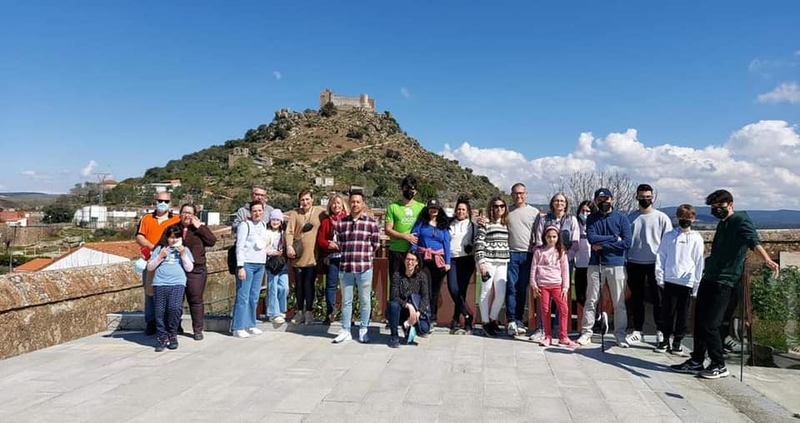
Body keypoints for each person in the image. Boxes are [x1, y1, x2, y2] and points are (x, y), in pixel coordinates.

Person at [671, 190, 779, 379]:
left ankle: (718, 364)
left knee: (712, 324)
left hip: (725, 280)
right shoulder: (723, 223)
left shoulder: (740, 221)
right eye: (713, 208)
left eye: (719, 207)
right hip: (710, 276)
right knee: (699, 321)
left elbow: (753, 241)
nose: (716, 211)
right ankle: (697, 359)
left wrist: (767, 260)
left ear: (730, 204)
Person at [577, 188, 632, 348]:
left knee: (618, 302)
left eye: (606, 199)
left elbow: (627, 243)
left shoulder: (622, 218)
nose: (603, 203)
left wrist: (602, 245)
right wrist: (614, 238)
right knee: (591, 300)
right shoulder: (592, 218)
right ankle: (586, 332)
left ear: (612, 199)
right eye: (600, 200)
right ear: (596, 201)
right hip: (596, 264)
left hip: (617, 264)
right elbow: (592, 239)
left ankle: (620, 334)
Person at [331, 189, 381, 344]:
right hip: (346, 267)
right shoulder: (341, 223)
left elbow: (376, 244)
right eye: (352, 201)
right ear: (349, 203)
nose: (355, 204)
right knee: (346, 300)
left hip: (364, 267)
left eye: (358, 202)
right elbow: (338, 242)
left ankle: (363, 329)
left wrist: (364, 255)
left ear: (363, 203)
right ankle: (345, 329)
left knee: (365, 300)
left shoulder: (371, 223)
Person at [626, 184, 673, 346]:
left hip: (656, 263)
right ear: (637, 197)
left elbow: (668, 243)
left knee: (658, 299)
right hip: (634, 262)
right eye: (642, 197)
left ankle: (661, 331)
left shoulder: (662, 218)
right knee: (636, 299)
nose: (645, 199)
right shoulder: (630, 218)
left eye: (648, 197)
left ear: (652, 197)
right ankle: (637, 330)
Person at [654, 204, 704, 355]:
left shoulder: (696, 238)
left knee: (683, 315)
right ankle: (664, 341)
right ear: (677, 218)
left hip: (687, 282)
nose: (684, 221)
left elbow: (699, 261)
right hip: (670, 280)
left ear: (693, 219)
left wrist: (696, 284)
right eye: (682, 218)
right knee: (667, 313)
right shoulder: (669, 236)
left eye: (688, 218)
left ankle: (677, 342)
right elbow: (661, 256)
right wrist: (660, 277)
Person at [532, 192, 580, 338]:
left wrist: (564, 257)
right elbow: (539, 239)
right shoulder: (544, 219)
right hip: (546, 263)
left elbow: (575, 242)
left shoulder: (571, 219)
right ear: (552, 203)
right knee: (543, 298)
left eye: (562, 201)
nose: (559, 203)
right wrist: (545, 254)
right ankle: (542, 328)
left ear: (566, 204)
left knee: (562, 296)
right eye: (556, 201)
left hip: (564, 262)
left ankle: (560, 329)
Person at [135, 191, 181, 335]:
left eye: (166, 201)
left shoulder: (176, 219)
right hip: (151, 260)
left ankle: (173, 323)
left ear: (170, 203)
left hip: (171, 262)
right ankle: (151, 322)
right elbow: (139, 237)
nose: (163, 203)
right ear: (155, 201)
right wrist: (154, 249)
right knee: (150, 293)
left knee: (172, 294)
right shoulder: (147, 218)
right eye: (160, 200)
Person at [530, 225, 579, 348]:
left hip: (557, 285)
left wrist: (565, 287)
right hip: (543, 286)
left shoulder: (561, 252)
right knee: (545, 310)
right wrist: (534, 284)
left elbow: (565, 270)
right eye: (549, 237)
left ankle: (563, 337)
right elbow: (533, 268)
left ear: (558, 237)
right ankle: (547, 336)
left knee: (564, 309)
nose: (551, 239)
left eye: (554, 237)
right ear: (544, 237)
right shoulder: (538, 251)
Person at [147, 224, 194, 351]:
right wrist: (159, 257)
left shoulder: (185, 250)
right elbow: (150, 267)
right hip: (160, 283)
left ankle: (173, 334)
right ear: (167, 238)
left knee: (174, 308)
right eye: (171, 237)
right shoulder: (160, 249)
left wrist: (183, 255)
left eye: (176, 237)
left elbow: (189, 268)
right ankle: (162, 337)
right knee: (159, 311)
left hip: (177, 283)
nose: (173, 240)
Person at [177, 203, 217, 341]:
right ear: (180, 214)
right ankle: (176, 326)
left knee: (195, 300)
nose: (187, 215)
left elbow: (212, 241)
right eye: (184, 212)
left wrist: (199, 227)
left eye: (190, 213)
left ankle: (197, 330)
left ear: (194, 215)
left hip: (196, 270)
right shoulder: (174, 228)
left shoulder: (199, 229)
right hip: (177, 269)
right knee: (176, 301)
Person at [505, 183, 539, 338]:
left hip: (527, 255)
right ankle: (511, 320)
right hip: (510, 254)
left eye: (521, 193)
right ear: (511, 195)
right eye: (515, 193)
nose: (519, 196)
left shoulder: (534, 213)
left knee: (522, 289)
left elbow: (540, 233)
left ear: (526, 194)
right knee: (511, 287)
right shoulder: (507, 211)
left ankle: (519, 319)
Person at [286, 189, 325, 325]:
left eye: (307, 199)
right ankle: (299, 312)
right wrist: (289, 246)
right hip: (298, 255)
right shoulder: (295, 214)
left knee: (309, 284)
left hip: (313, 255)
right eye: (302, 200)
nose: (305, 202)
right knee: (299, 285)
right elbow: (289, 231)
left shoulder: (320, 212)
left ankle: (309, 312)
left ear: (312, 199)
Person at [410, 198, 451, 324]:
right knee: (425, 288)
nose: (433, 210)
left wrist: (447, 262)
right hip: (424, 259)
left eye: (435, 208)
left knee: (435, 290)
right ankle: (423, 314)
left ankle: (433, 317)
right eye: (431, 208)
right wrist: (413, 253)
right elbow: (414, 238)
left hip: (438, 260)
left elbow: (446, 244)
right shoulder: (421, 223)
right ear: (427, 209)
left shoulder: (443, 226)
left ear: (439, 210)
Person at [232, 201, 268, 338]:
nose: (257, 213)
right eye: (254, 211)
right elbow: (239, 247)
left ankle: (251, 324)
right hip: (247, 264)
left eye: (260, 210)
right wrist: (240, 266)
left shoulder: (264, 225)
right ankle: (238, 326)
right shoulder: (244, 225)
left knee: (254, 297)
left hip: (260, 263)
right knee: (243, 296)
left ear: (263, 211)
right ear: (250, 212)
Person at [475, 196, 511, 337]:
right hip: (488, 261)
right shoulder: (485, 223)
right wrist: (481, 262)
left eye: (502, 206)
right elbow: (479, 243)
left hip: (502, 262)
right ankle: (485, 322)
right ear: (491, 208)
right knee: (486, 292)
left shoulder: (506, 224)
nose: (499, 208)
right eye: (496, 206)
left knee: (501, 294)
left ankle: (493, 319)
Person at [386, 250, 431, 348]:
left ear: (417, 262)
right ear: (404, 260)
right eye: (408, 259)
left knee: (424, 328)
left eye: (413, 260)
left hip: (416, 310)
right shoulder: (397, 275)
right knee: (393, 305)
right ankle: (394, 336)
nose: (410, 262)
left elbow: (425, 297)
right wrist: (408, 305)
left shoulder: (422, 276)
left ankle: (408, 329)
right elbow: (394, 296)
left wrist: (418, 313)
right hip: (401, 309)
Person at [317, 193, 348, 325]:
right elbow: (320, 240)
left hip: (347, 258)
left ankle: (347, 315)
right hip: (332, 258)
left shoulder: (348, 220)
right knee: (331, 286)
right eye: (334, 203)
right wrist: (328, 244)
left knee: (347, 287)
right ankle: (330, 313)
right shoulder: (325, 221)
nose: (336, 206)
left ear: (343, 205)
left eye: (338, 203)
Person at [447, 197, 477, 334]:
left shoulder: (472, 225)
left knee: (461, 292)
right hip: (452, 259)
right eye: (458, 209)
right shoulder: (449, 223)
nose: (460, 211)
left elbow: (478, 241)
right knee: (453, 289)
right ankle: (467, 315)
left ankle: (455, 319)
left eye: (463, 209)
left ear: (467, 211)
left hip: (466, 260)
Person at [385, 175, 425, 276]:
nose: (409, 191)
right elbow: (388, 230)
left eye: (412, 189)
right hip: (397, 250)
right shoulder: (393, 207)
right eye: (406, 188)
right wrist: (405, 236)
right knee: (395, 282)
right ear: (402, 189)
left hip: (415, 252)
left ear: (416, 191)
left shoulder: (422, 207)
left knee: (413, 283)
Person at [266, 209, 289, 324]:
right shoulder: (266, 232)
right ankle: (273, 313)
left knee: (284, 287)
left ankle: (281, 309)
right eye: (273, 219)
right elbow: (263, 248)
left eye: (277, 219)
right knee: (273, 287)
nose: (275, 222)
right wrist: (272, 252)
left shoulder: (284, 233)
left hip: (282, 262)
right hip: (272, 262)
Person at [574, 200, 598, 309]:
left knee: (593, 295)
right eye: (583, 210)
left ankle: (596, 319)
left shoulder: (596, 225)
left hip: (592, 264)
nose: (585, 213)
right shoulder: (575, 224)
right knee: (580, 296)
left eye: (588, 211)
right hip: (579, 264)